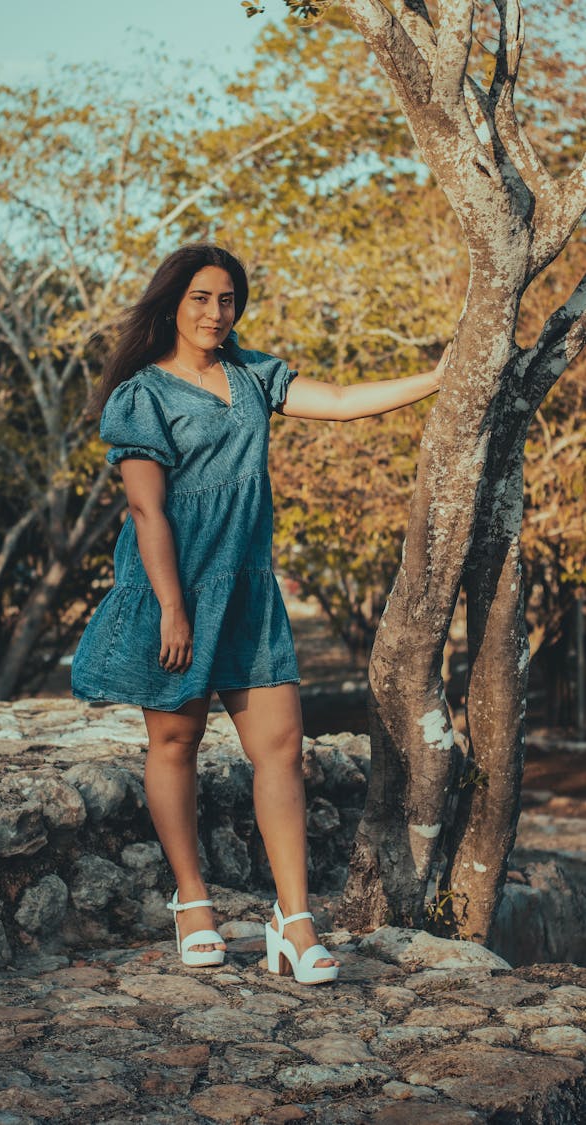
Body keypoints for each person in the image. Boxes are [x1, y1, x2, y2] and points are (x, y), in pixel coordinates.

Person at [72, 243, 446, 985]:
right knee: (174, 742)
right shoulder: (142, 395)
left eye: (228, 299)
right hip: (172, 587)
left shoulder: (251, 374)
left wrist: (440, 377)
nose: (217, 312)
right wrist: (173, 609)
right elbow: (147, 510)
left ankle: (294, 920)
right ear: (172, 303)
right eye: (202, 298)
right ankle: (194, 900)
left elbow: (337, 402)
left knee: (281, 745)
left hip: (247, 591)